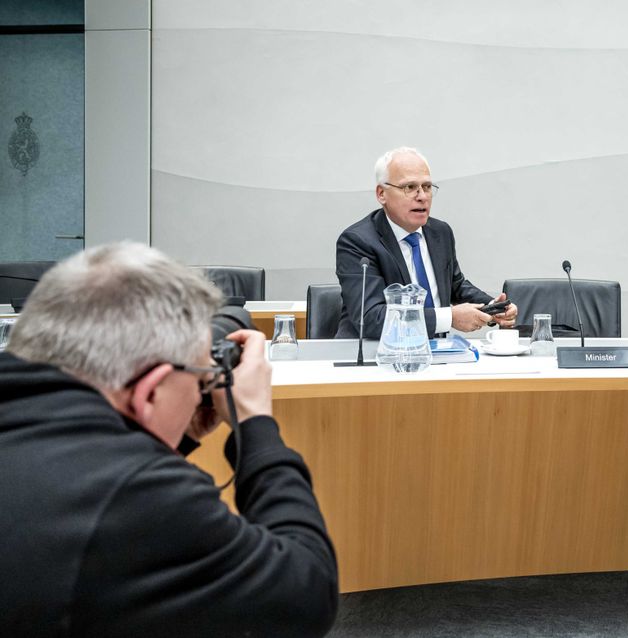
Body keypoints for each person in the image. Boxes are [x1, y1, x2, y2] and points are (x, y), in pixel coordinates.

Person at [0, 243, 338, 638]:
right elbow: (304, 595)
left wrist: (181, 433)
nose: (199, 392)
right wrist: (255, 424)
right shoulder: (132, 495)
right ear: (151, 392)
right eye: (196, 378)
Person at [335, 147, 517, 339]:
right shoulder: (357, 242)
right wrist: (449, 318)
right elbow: (371, 319)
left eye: (427, 187)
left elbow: (455, 285)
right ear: (382, 194)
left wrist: (492, 307)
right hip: (375, 356)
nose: (422, 196)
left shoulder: (440, 232)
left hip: (433, 353)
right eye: (410, 187)